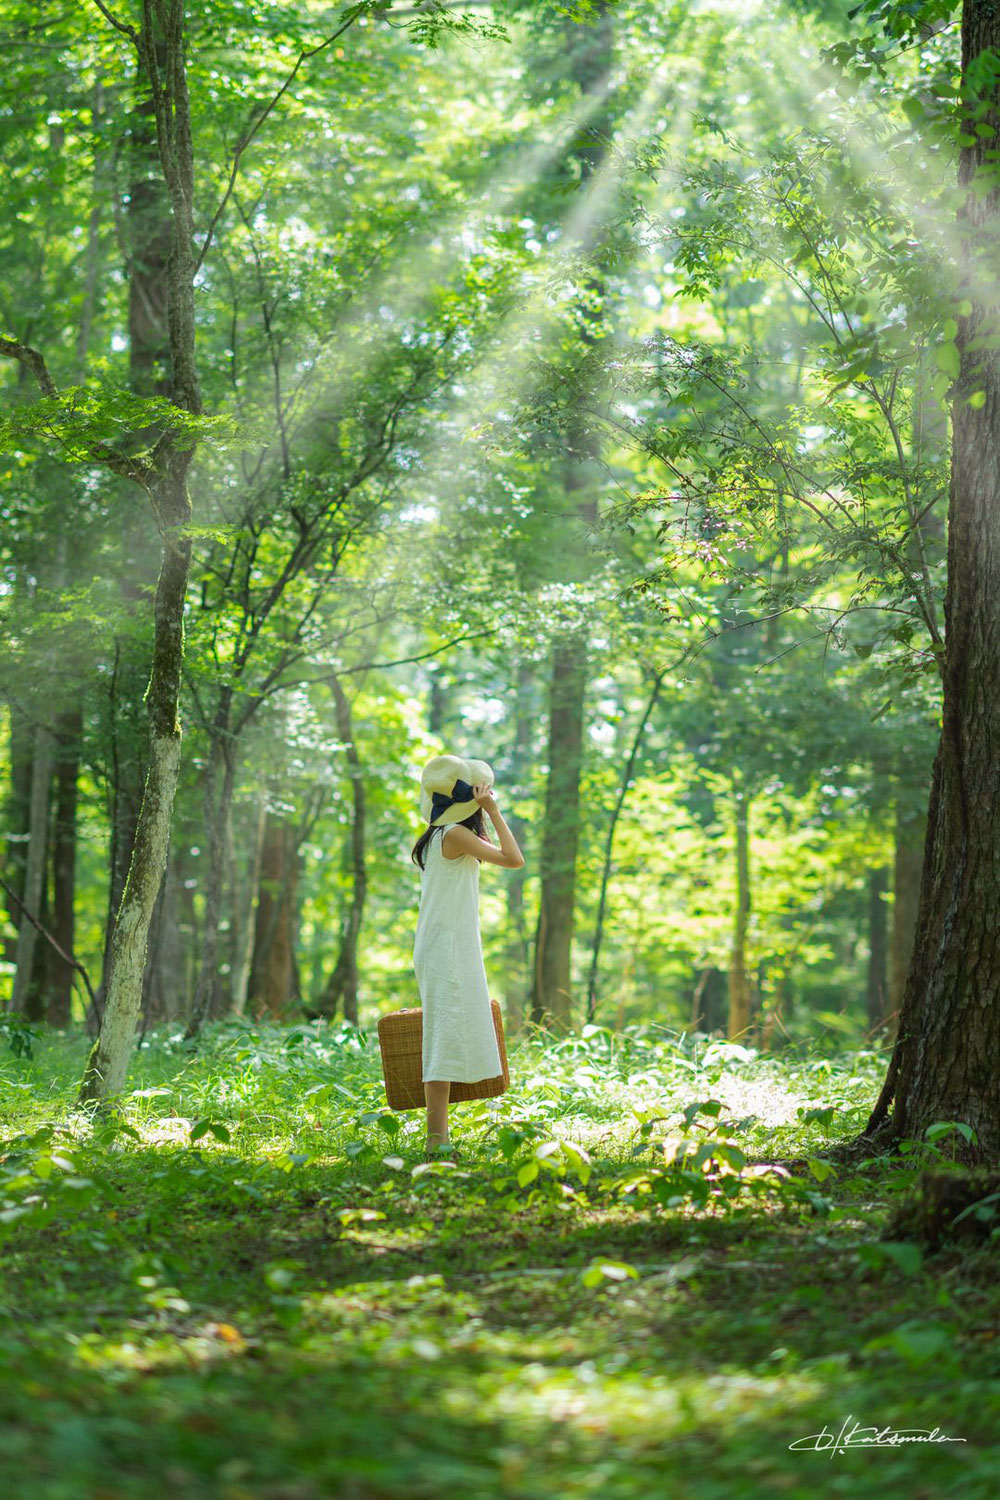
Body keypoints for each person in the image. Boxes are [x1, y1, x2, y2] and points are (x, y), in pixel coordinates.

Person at [411, 754, 524, 1154]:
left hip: (443, 940)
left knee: (444, 1031)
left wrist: (482, 809)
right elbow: (514, 859)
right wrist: (492, 810)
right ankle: (435, 1140)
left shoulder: (439, 835)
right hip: (448, 944)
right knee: (441, 1035)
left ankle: (438, 1137)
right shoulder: (454, 835)